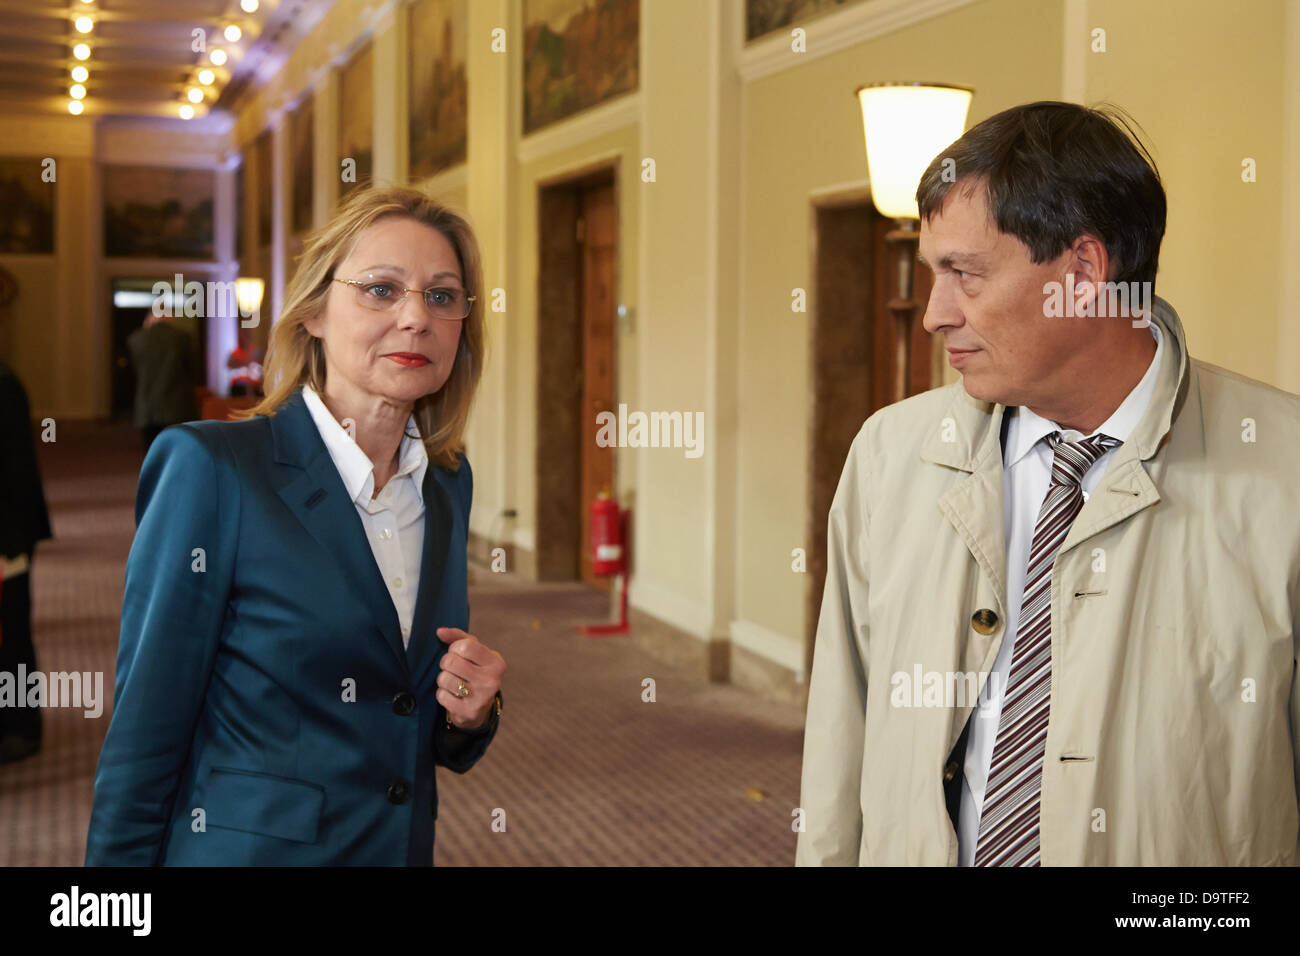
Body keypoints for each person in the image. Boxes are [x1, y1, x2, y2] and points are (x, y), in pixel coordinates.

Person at [797, 101, 1299, 866]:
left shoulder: (1283, 472)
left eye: (963, 274)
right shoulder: (889, 456)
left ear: (1084, 272)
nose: (934, 314)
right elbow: (842, 735)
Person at [85, 185, 505, 865]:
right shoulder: (216, 472)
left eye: (441, 295)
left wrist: (471, 714)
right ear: (312, 312)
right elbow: (145, 734)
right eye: (380, 289)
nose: (415, 318)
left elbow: (402, 709)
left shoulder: (447, 484)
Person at [0, 358, 52, 763]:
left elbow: (16, 467)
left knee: (12, 634)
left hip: (7, 533)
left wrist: (12, 542)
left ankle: (22, 724)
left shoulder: (4, 382)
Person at [126, 312, 199, 452]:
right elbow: (192, 371)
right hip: (177, 407)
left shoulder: (137, 339)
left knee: (152, 452)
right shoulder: (182, 338)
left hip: (147, 407)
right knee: (177, 451)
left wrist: (146, 327)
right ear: (170, 317)